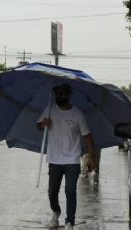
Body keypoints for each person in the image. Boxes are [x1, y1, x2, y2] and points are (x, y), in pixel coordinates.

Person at [37, 83, 96, 230]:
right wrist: (43, 124)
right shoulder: (49, 110)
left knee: (70, 190)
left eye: (62, 94)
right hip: (54, 159)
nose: (59, 96)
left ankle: (70, 221)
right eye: (57, 94)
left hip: (72, 160)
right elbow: (38, 126)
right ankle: (56, 212)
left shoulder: (78, 114)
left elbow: (87, 137)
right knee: (52, 192)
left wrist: (92, 158)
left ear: (69, 95)